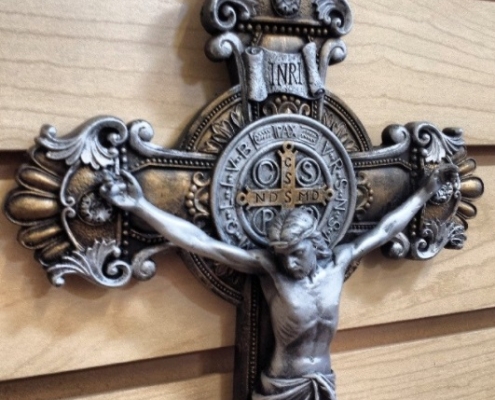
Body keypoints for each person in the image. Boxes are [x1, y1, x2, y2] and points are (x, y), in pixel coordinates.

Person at [100, 164, 457, 400]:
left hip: (323, 382)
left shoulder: (339, 262)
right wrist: (140, 206)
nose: (289, 262)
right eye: (282, 254)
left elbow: (386, 228)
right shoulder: (270, 269)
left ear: (315, 243)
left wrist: (424, 193)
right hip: (283, 387)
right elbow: (200, 242)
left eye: (296, 253)